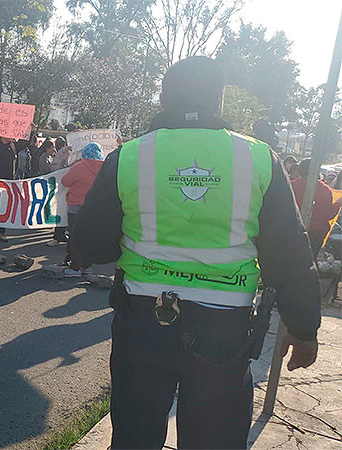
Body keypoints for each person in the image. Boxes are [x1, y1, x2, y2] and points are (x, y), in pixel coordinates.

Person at [73, 56, 320, 449]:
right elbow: (289, 251)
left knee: (135, 434)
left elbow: (92, 244)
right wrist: (304, 328)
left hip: (142, 323)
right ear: (219, 99)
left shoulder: (130, 156)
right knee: (214, 439)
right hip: (224, 330)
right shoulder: (258, 158)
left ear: (163, 98)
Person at [60, 142, 103, 276]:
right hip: (95, 209)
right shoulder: (105, 168)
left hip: (77, 208)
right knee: (89, 238)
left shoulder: (79, 167)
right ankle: (86, 266)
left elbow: (65, 182)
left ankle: (75, 268)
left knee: (76, 238)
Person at [291, 159, 341, 259]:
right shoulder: (324, 190)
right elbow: (328, 215)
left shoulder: (291, 186)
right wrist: (338, 203)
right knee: (310, 260)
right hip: (316, 233)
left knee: (292, 260)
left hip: (292, 230)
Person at [37, 139, 70, 247]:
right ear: (47, 148)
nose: (53, 149)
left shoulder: (51, 157)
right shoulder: (43, 158)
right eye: (52, 147)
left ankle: (59, 234)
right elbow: (50, 171)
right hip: (47, 184)